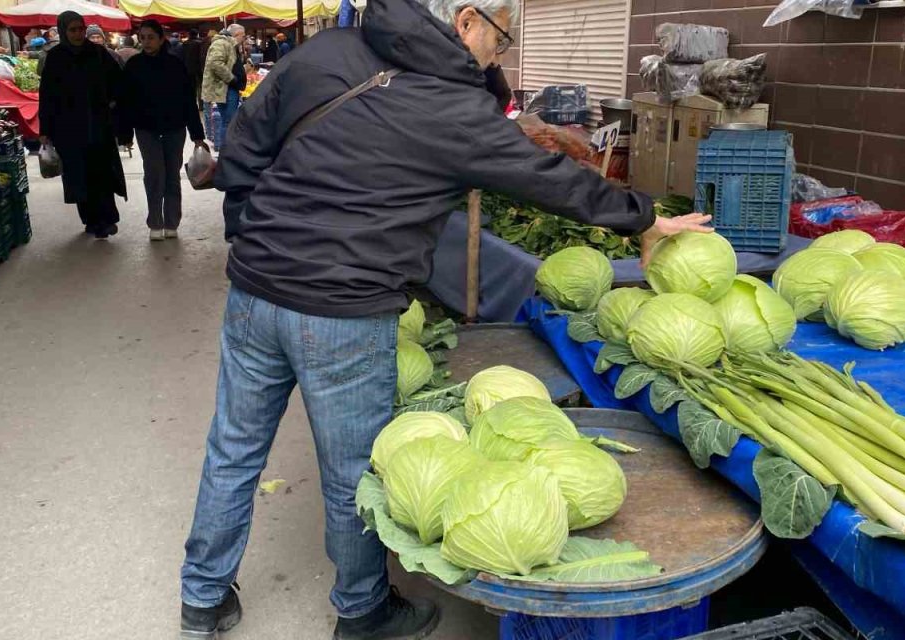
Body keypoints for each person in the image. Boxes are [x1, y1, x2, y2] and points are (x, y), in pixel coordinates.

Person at [177, 0, 714, 637]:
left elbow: (247, 144)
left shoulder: (326, 52)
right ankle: (363, 611)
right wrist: (645, 217)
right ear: (467, 21)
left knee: (233, 448)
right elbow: (549, 179)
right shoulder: (455, 109)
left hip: (255, 291)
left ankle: (203, 598)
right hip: (344, 311)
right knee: (353, 470)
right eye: (503, 40)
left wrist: (252, 235)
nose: (502, 56)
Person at [38, 11, 127, 240]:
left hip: (99, 126)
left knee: (102, 173)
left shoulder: (98, 54)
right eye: (73, 30)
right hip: (68, 130)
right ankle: (90, 219)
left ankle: (106, 220)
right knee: (79, 175)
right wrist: (45, 130)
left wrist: (113, 101)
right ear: (64, 31)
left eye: (80, 29)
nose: (78, 34)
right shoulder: (56, 58)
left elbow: (119, 81)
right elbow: (47, 95)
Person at [118, 19, 208, 241]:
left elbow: (188, 100)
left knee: (171, 175)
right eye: (143, 37)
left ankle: (171, 222)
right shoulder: (134, 66)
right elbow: (125, 102)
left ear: (161, 39)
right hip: (146, 129)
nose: (146, 42)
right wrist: (125, 133)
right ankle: (155, 222)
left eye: (151, 37)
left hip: (174, 129)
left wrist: (197, 134)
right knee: (153, 174)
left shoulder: (175, 65)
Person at [201, 24, 244, 152]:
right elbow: (215, 63)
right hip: (225, 88)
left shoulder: (229, 44)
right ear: (236, 34)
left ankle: (225, 149)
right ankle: (226, 151)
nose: (244, 38)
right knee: (228, 121)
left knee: (228, 121)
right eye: (243, 35)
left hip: (228, 88)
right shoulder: (221, 43)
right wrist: (232, 78)